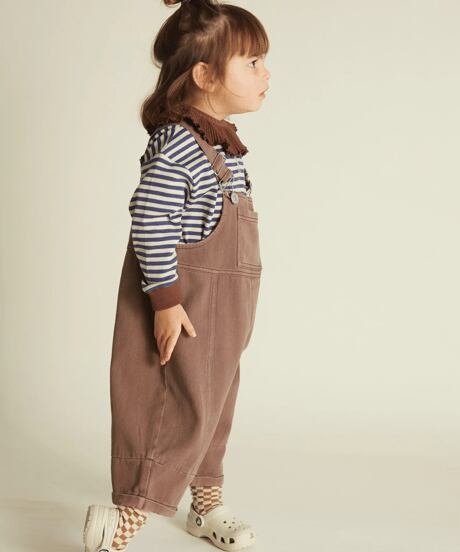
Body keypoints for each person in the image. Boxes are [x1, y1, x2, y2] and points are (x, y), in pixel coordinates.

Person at [82, 0, 270, 550]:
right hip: (185, 302)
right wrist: (165, 301)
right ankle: (131, 513)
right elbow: (150, 219)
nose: (266, 73)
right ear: (205, 75)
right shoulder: (178, 144)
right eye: (252, 62)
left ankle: (204, 502)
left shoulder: (220, 142)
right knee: (171, 406)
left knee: (214, 403)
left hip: (225, 306)